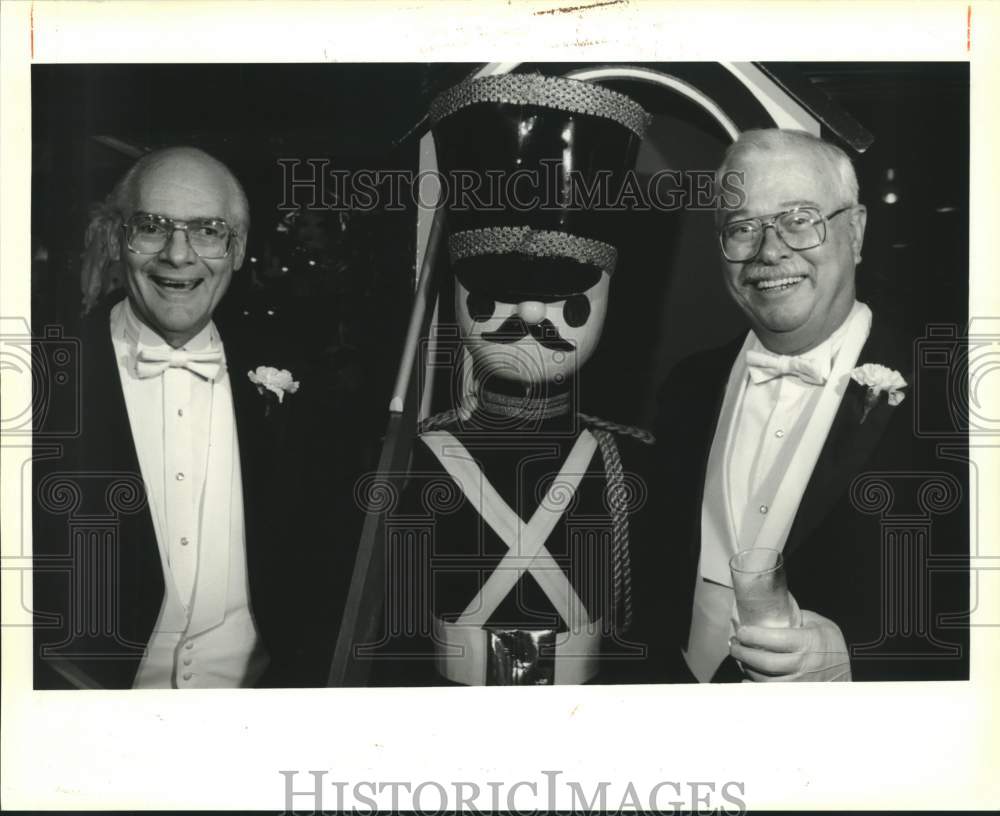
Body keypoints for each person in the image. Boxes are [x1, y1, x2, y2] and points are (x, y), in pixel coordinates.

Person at [651, 128, 968, 683]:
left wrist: (855, 660)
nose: (770, 251)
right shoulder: (686, 386)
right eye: (743, 228)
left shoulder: (952, 395)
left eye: (800, 219)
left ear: (857, 231)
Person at [33, 146, 342, 689]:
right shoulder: (40, 382)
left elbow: (322, 569)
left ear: (239, 249)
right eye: (152, 227)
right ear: (116, 240)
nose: (179, 255)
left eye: (208, 231)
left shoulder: (304, 383)